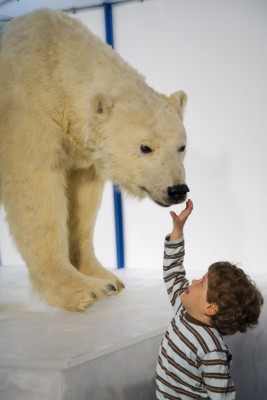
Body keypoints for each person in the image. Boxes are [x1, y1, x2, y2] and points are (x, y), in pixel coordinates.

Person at [156, 199, 263, 400]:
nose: (194, 280)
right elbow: (173, 272)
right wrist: (178, 229)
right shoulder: (183, 309)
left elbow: (222, 395)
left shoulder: (211, 349)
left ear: (211, 307)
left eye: (202, 283)